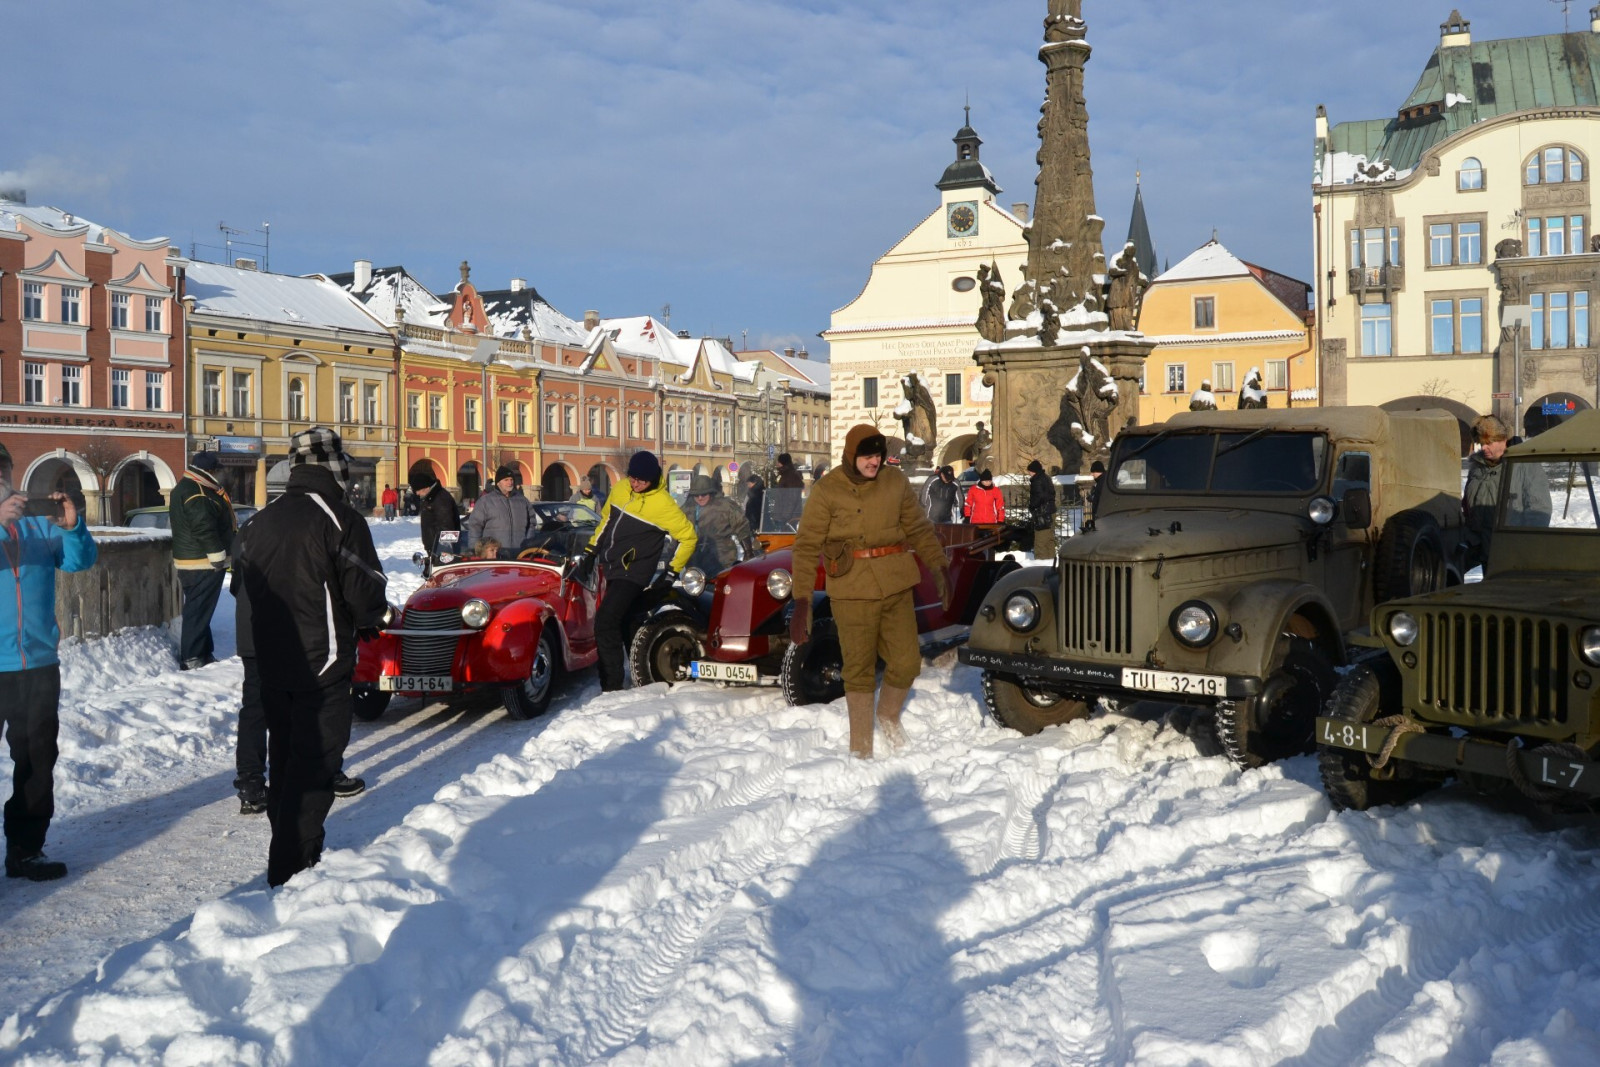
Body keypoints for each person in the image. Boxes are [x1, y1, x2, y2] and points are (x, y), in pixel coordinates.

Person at [233, 427, 388, 887]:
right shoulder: (340, 519)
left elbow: (241, 587)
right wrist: (369, 618)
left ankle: (288, 852)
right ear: (334, 469)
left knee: (283, 760)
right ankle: (292, 868)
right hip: (323, 662)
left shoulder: (259, 521)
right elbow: (365, 591)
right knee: (315, 763)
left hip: (272, 660)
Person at [790, 426, 948, 759]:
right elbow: (806, 547)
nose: (873, 462)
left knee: (906, 662)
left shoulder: (895, 481)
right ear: (851, 455)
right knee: (858, 671)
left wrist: (938, 566)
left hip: (895, 583)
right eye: (866, 456)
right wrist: (802, 600)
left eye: (877, 455)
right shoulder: (827, 490)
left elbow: (918, 527)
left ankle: (888, 715)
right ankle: (860, 749)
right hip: (852, 589)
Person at [0, 441, 96, 881]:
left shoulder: (36, 522)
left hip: (37, 663)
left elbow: (80, 562)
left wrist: (72, 527)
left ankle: (26, 849)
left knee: (37, 760)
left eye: (3, 471)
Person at [571, 451, 696, 692]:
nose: (635, 484)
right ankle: (644, 675)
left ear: (653, 479)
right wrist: (590, 552)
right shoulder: (621, 489)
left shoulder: (663, 504)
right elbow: (606, 521)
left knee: (606, 621)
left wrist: (671, 573)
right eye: (632, 478)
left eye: (642, 481)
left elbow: (689, 537)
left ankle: (611, 687)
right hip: (612, 566)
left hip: (634, 571)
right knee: (627, 620)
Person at [169, 451, 237, 671]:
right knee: (198, 611)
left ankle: (203, 653)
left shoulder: (191, 487)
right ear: (210, 471)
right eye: (218, 470)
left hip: (194, 561)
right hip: (202, 562)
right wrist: (217, 555)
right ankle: (192, 657)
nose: (221, 474)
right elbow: (203, 527)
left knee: (200, 610)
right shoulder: (198, 491)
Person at [1462, 414, 1551, 569]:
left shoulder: (1525, 465)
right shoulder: (1477, 467)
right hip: (1484, 551)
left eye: (1488, 443)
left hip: (1514, 555)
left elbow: (1539, 510)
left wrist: (1525, 548)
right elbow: (1468, 507)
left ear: (1503, 439)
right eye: (1481, 443)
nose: (1483, 448)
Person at [686, 474, 761, 575]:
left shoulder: (725, 506)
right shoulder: (687, 509)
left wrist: (748, 552)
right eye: (696, 495)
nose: (700, 498)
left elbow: (741, 526)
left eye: (703, 494)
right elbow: (676, 533)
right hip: (694, 559)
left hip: (723, 557)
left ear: (711, 492)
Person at [466, 465, 534, 557]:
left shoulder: (523, 501)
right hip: (495, 554)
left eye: (511, 479)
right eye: (506, 480)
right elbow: (475, 527)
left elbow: (531, 524)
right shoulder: (485, 501)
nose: (510, 482)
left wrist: (528, 545)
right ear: (498, 483)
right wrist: (474, 550)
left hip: (519, 554)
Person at [409, 459, 461, 556]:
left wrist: (445, 548)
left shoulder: (440, 498)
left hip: (442, 550)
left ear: (425, 487)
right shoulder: (429, 498)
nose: (417, 493)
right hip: (434, 547)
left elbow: (446, 525)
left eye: (418, 490)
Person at [1027, 459, 1057, 558]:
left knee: (1040, 542)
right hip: (1051, 511)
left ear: (1033, 471)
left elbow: (1039, 497)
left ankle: (1041, 563)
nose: (1029, 473)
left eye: (1030, 471)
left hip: (1043, 514)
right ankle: (1050, 561)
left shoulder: (1037, 480)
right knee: (1049, 540)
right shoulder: (1047, 478)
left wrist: (1032, 506)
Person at [771, 452, 805, 529]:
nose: (777, 464)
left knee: (784, 535)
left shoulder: (790, 476)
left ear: (783, 463)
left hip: (787, 518)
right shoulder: (786, 475)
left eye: (779, 462)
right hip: (784, 516)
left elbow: (792, 498)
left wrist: (784, 517)